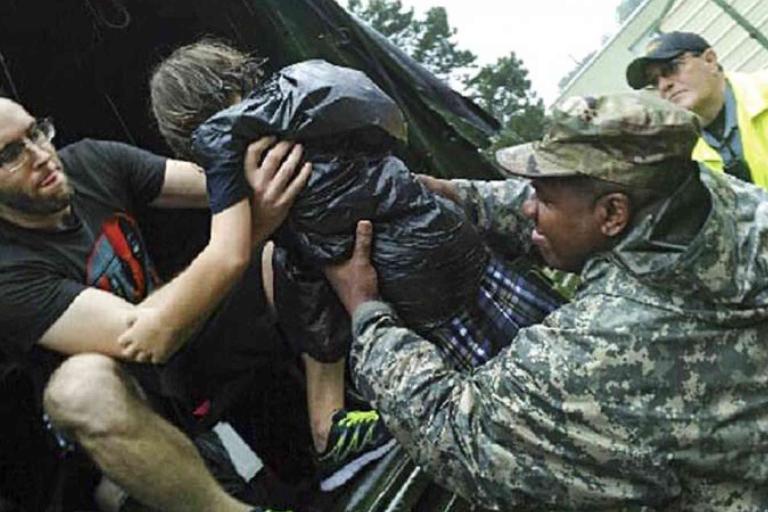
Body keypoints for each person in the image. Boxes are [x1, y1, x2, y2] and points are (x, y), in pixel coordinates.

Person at [324, 92, 768, 510]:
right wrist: (462, 197)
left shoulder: (602, 346)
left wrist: (368, 316)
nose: (531, 208)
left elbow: (464, 436)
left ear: (613, 213)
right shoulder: (711, 197)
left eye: (544, 197)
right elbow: (577, 212)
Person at [0, 97, 305, 512]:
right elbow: (145, 336)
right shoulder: (7, 269)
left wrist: (251, 144)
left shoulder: (88, 161)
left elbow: (223, 184)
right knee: (78, 389)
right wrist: (244, 237)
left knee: (288, 240)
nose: (39, 155)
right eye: (11, 154)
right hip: (131, 408)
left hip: (189, 348)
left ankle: (332, 426)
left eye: (36, 132)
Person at [625, 31, 768, 188]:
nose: (664, 86)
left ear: (710, 60)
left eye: (671, 68)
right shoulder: (686, 153)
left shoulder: (764, 91)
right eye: (654, 82)